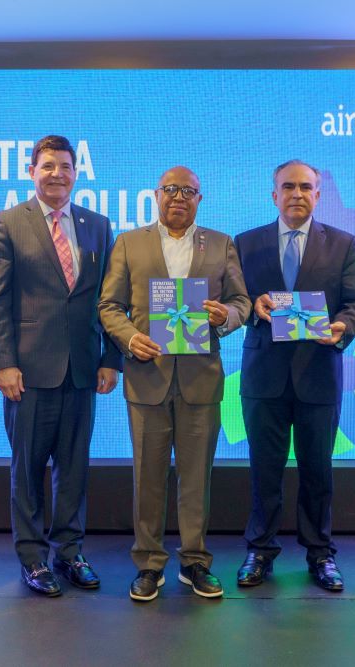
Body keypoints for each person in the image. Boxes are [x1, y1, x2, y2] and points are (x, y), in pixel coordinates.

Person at [99, 166, 250, 602]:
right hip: (147, 377)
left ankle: (195, 561)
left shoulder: (221, 244)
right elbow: (109, 305)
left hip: (201, 379)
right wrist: (130, 339)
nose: (178, 197)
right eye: (170, 189)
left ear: (200, 199)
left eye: (188, 191)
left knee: (196, 478)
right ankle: (149, 564)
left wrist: (227, 316)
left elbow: (241, 302)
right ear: (156, 195)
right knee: (147, 478)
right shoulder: (129, 243)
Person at [0, 135, 121, 597]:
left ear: (76, 173)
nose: (56, 174)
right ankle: (32, 558)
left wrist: (111, 358)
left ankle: (69, 552)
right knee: (27, 471)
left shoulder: (97, 225)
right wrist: (3, 364)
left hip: (82, 369)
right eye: (47, 166)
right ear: (32, 171)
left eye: (64, 166)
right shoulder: (8, 222)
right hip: (27, 373)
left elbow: (110, 299)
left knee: (74, 469)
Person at [233, 160, 355, 592]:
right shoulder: (245, 243)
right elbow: (233, 300)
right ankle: (260, 550)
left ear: (318, 194)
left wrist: (342, 325)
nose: (296, 194)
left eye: (305, 187)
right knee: (264, 470)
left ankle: (320, 553)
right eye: (288, 187)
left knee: (317, 471)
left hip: (319, 374)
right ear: (273, 195)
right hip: (264, 376)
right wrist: (252, 306)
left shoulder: (342, 243)